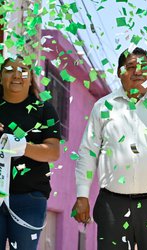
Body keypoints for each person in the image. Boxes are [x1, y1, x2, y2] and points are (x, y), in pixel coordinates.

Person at [72, 47, 147, 249]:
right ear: (120, 73)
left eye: (144, 67)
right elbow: (88, 152)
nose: (137, 72)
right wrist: (82, 195)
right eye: (130, 67)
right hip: (112, 205)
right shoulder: (103, 107)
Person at [0, 56, 61, 249]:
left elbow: (52, 152)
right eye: (9, 70)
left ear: (31, 77)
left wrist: (18, 145)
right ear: (1, 77)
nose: (17, 75)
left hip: (29, 198)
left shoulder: (44, 110)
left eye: (23, 70)